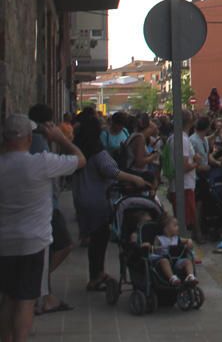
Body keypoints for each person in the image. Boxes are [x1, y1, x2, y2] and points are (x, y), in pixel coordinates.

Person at [0, 114, 84, 342]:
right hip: (34, 242)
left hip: (4, 242)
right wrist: (60, 138)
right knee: (26, 300)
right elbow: (80, 159)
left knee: (8, 297)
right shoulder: (41, 162)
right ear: (28, 138)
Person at [73, 110, 148, 292]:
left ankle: (96, 274)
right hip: (97, 199)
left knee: (95, 240)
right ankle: (96, 275)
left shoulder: (80, 149)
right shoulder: (97, 153)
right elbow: (112, 171)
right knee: (100, 240)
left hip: (82, 197)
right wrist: (135, 179)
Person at [26, 104, 74, 317]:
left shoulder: (36, 141)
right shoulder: (38, 143)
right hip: (46, 206)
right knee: (63, 245)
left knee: (56, 248)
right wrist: (62, 140)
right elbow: (77, 160)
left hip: (45, 206)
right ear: (47, 124)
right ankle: (39, 287)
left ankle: (43, 290)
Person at [148, 216, 196, 285]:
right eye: (175, 225)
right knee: (164, 261)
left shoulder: (176, 238)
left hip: (177, 261)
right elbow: (153, 248)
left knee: (187, 261)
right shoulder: (159, 238)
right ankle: (172, 278)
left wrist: (189, 241)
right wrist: (156, 248)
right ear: (166, 228)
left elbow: (187, 240)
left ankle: (190, 276)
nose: (178, 228)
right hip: (164, 261)